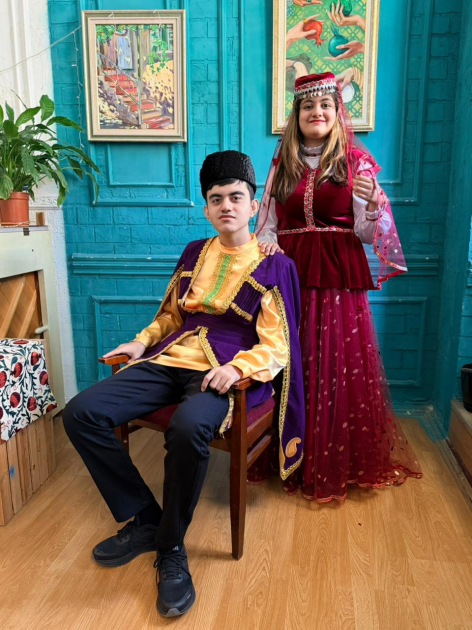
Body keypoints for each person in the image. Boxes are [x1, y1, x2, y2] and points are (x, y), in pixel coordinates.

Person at [62, 150, 305, 617]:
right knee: (81, 413)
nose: (226, 206)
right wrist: (140, 342)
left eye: (236, 197)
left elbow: (277, 345)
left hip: (222, 371)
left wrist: (238, 369)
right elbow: (172, 316)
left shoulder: (275, 265)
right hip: (169, 357)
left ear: (254, 206)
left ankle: (171, 546)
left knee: (188, 427)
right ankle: (147, 518)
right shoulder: (195, 252)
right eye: (216, 199)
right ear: (207, 208)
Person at [256, 72, 422, 502]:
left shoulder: (355, 163)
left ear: (336, 111)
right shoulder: (282, 164)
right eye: (308, 106)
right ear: (297, 115)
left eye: (325, 105)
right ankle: (289, 457)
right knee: (292, 361)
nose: (317, 112)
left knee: (334, 366)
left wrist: (375, 204)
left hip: (337, 273)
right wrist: (269, 246)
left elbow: (366, 233)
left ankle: (334, 462)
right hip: (292, 273)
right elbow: (266, 225)